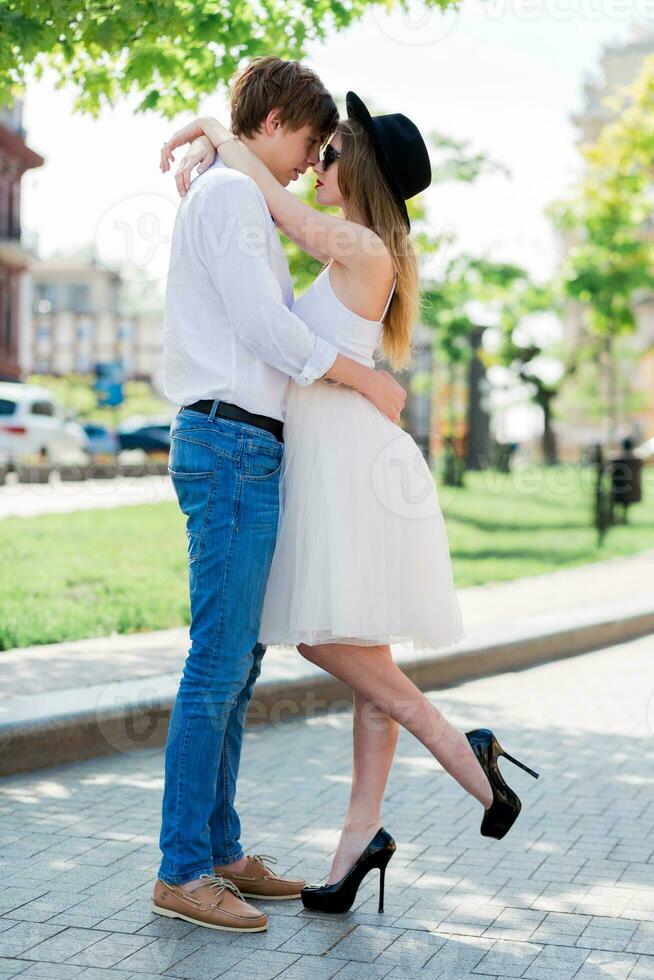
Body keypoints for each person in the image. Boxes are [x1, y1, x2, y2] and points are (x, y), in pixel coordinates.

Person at [163, 89, 539, 918]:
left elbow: (272, 200)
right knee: (359, 655)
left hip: (345, 462)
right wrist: (221, 144)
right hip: (332, 455)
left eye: (331, 152)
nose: (318, 161)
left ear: (356, 167)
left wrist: (216, 132)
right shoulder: (364, 249)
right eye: (317, 148)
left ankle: (466, 753)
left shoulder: (361, 242)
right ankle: (355, 845)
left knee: (326, 642)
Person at [152, 57, 407, 934]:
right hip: (227, 443)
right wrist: (363, 382)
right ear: (273, 122)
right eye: (309, 140)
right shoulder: (227, 199)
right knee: (217, 662)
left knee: (240, 663)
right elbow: (268, 329)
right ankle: (183, 868)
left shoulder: (241, 194)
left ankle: (219, 851)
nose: (309, 161)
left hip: (247, 447)